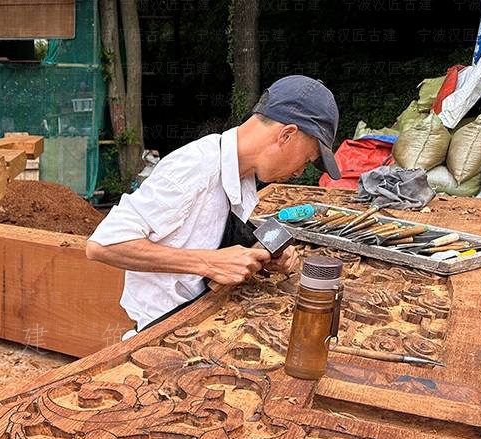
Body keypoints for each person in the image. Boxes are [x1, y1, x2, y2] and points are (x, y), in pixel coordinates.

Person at [86, 75, 341, 334]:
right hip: (162, 329)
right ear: (286, 135)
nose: (300, 172)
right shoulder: (195, 167)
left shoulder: (240, 174)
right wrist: (208, 263)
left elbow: (209, 232)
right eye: (307, 159)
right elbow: (103, 245)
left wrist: (264, 251)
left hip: (201, 313)